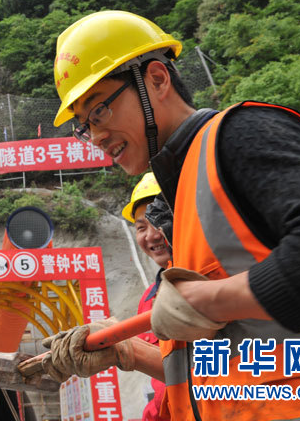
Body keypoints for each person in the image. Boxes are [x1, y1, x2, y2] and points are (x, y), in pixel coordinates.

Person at [42, 10, 300, 420]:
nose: (95, 135)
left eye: (99, 110)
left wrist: (213, 301)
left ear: (156, 79)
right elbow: (240, 366)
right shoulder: (186, 200)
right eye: (83, 124)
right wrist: (129, 351)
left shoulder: (241, 134)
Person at [121, 172, 173, 421]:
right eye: (141, 227)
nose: (151, 235)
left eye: (159, 221)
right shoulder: (150, 298)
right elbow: (164, 385)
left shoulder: (211, 279)